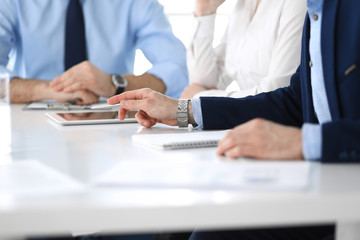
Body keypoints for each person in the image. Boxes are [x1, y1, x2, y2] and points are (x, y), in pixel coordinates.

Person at [108, 0, 360, 238]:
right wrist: (185, 110)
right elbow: (295, 99)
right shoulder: (317, 8)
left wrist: (305, 142)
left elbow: (274, 91)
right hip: (327, 186)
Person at [0, 0, 188, 104]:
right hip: (32, 123)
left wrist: (115, 84)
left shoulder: (136, 3)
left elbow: (177, 66)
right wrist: (48, 90)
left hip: (112, 122)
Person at [181, 0, 306, 99]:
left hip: (283, 127)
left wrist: (203, 97)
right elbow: (202, 84)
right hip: (248, 124)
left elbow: (276, 94)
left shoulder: (297, 3)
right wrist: (205, 10)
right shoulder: (244, 4)